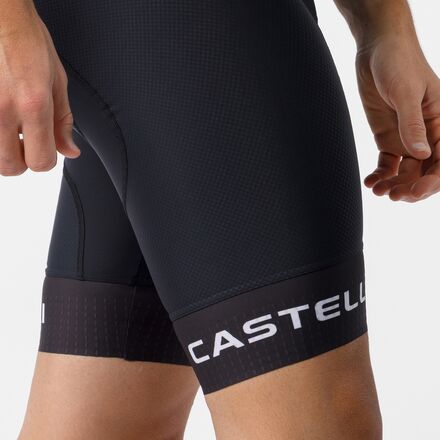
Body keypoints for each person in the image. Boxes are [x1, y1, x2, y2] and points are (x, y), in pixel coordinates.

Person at [1, 0, 438, 438]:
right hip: (194, 26)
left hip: (158, 37)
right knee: (323, 422)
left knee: (112, 422)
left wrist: (383, 25)